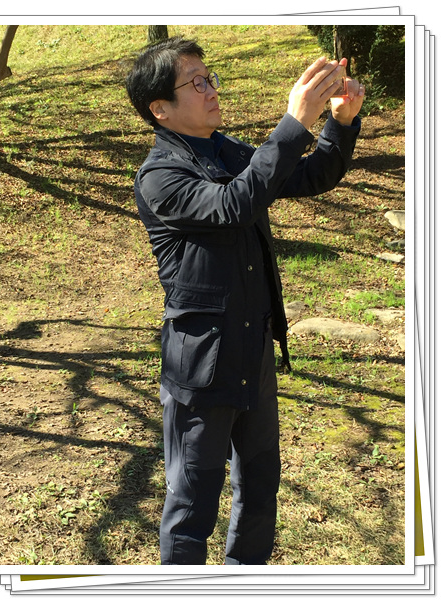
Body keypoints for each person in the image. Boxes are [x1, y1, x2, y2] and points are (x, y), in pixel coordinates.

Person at [126, 36, 364, 565]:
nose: (211, 89)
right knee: (192, 507)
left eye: (209, 78)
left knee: (259, 492)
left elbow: (311, 175)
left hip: (253, 351)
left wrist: (340, 122)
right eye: (196, 83)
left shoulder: (227, 150)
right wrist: (294, 122)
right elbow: (234, 204)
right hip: (201, 367)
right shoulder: (161, 174)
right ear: (160, 108)